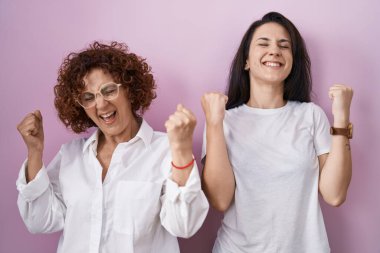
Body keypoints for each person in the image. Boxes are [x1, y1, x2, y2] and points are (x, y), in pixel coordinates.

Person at [16, 41, 209, 253]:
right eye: (88, 97)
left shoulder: (165, 150)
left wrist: (181, 150)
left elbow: (184, 225)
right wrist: (35, 152)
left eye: (108, 90)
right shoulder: (70, 156)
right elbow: (39, 221)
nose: (100, 104)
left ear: (129, 89)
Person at [201, 12, 353, 253]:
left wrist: (342, 117)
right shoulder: (223, 120)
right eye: (264, 44)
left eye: (284, 46)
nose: (274, 51)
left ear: (292, 62)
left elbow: (334, 195)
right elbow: (220, 200)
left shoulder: (311, 116)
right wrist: (214, 124)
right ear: (247, 61)